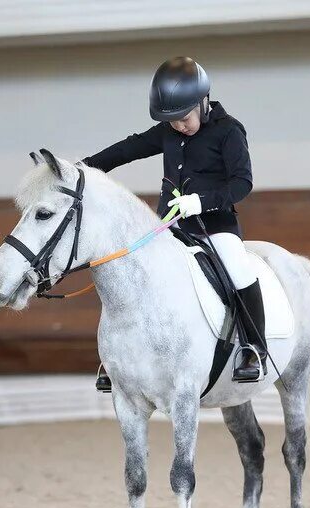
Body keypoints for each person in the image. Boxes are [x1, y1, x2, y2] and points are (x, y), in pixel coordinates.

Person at [81, 56, 267, 388]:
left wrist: (202, 201)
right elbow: (129, 148)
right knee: (130, 273)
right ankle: (114, 358)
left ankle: (254, 348)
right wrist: (87, 167)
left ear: (203, 102)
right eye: (173, 122)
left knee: (238, 268)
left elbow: (243, 183)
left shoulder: (228, 131)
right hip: (171, 226)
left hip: (216, 226)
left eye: (184, 118)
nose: (179, 126)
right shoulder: (169, 131)